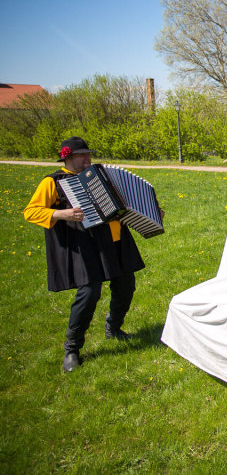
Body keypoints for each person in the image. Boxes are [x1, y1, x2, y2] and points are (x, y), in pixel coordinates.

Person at [23, 137, 150, 372]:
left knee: (126, 285)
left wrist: (149, 208)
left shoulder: (100, 176)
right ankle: (72, 349)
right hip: (85, 246)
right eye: (82, 155)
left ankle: (114, 327)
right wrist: (64, 214)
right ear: (67, 157)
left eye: (88, 154)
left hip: (115, 242)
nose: (87, 159)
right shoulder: (53, 182)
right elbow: (31, 211)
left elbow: (124, 201)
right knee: (90, 292)